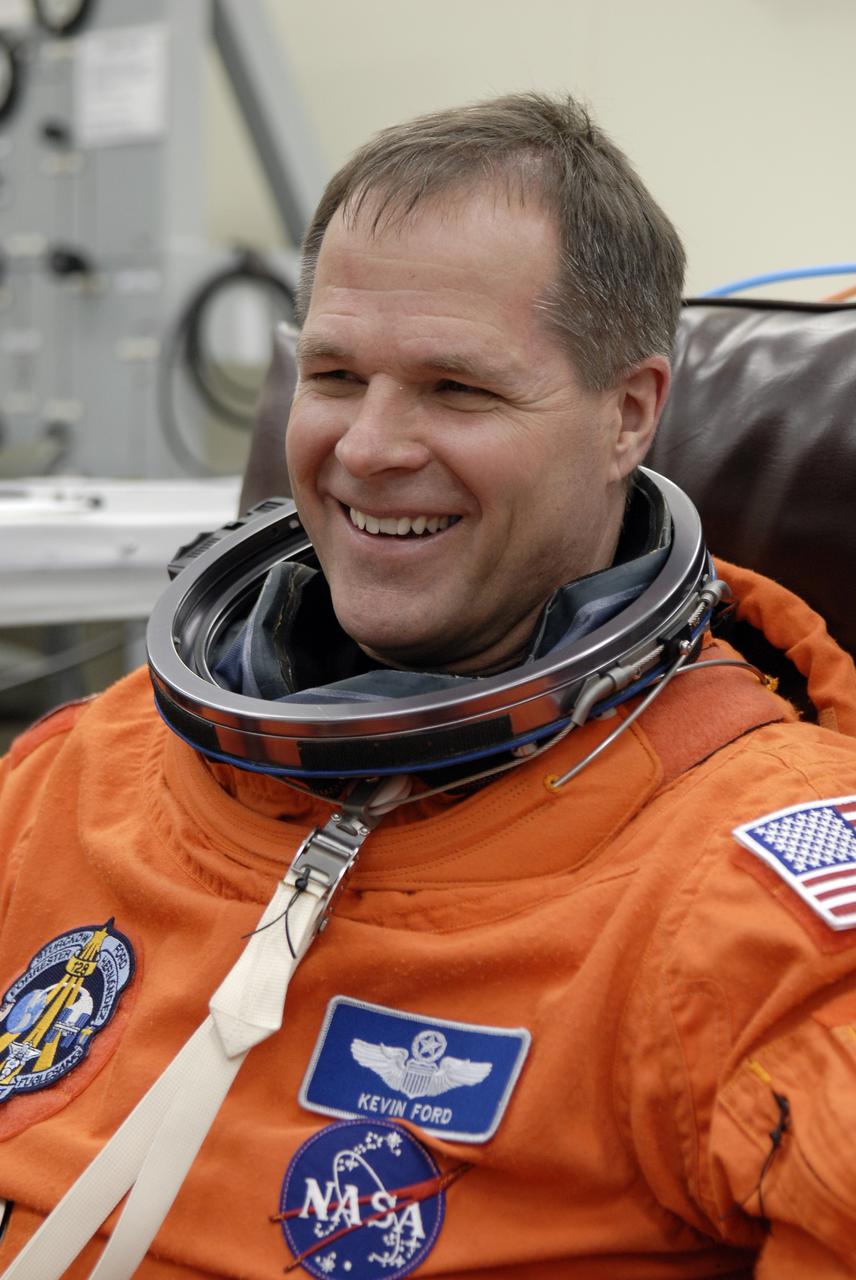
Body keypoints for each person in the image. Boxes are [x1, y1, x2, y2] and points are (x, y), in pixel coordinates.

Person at [1, 92, 856, 1280]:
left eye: (457, 389)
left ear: (628, 413)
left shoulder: (755, 907)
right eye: (339, 374)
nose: (368, 447)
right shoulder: (79, 771)